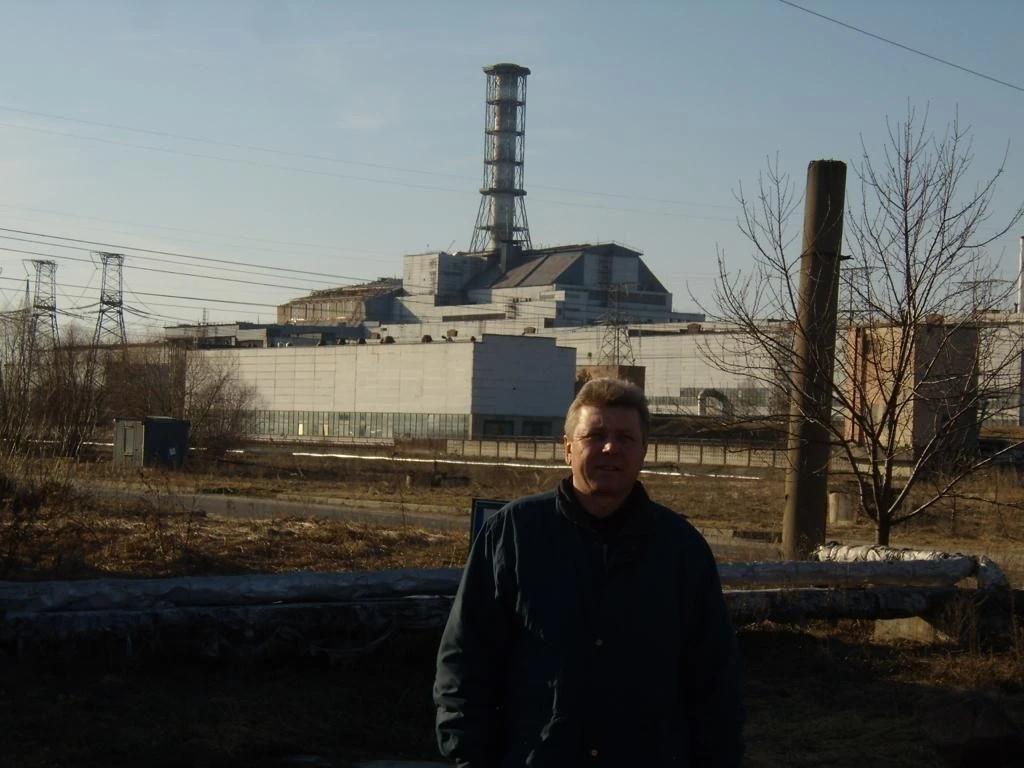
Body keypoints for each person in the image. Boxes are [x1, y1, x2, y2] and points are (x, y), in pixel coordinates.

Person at [433, 377, 744, 767]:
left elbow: (715, 681)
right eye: (595, 436)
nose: (610, 447)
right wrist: (469, 756)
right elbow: (465, 662)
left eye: (625, 438)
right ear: (567, 448)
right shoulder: (513, 535)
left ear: (644, 451)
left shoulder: (681, 550)